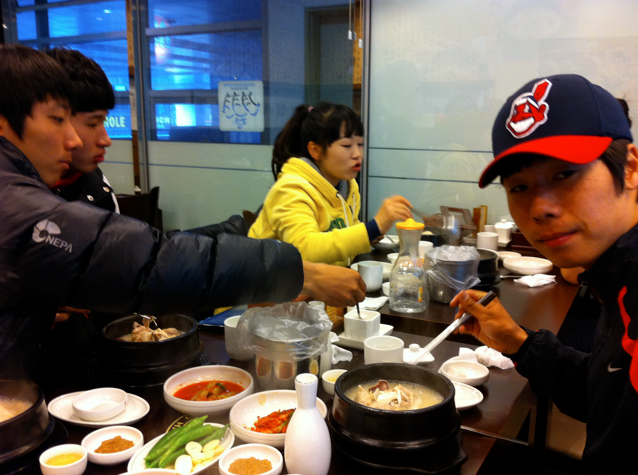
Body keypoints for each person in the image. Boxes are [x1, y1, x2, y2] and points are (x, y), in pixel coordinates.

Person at [0, 44, 366, 383]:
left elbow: (141, 254)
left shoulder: (88, 183)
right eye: (58, 119)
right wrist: (301, 273)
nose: (76, 139)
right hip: (49, 384)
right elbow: (147, 262)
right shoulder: (15, 202)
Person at [451, 74, 637, 474]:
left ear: (630, 169)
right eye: (519, 187)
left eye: (564, 174)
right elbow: (602, 396)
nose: (540, 208)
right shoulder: (613, 277)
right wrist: (518, 343)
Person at [248, 103, 413, 266]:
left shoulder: (348, 186)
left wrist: (369, 234)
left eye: (360, 144)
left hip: (330, 279)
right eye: (347, 145)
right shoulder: (291, 189)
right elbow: (304, 250)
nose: (357, 154)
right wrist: (373, 227)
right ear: (315, 150)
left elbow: (345, 230)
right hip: (275, 281)